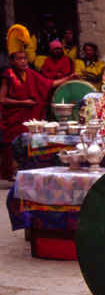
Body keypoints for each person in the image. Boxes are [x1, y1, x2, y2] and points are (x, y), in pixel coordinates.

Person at [1, 25, 73, 180]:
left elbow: (49, 83)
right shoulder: (7, 75)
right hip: (13, 118)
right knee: (11, 144)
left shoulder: (31, 73)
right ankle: (12, 172)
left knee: (31, 143)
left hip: (28, 119)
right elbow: (2, 99)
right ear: (12, 60)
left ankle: (26, 169)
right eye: (19, 59)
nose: (23, 61)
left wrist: (68, 78)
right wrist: (23, 102)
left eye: (25, 58)